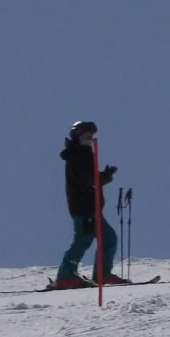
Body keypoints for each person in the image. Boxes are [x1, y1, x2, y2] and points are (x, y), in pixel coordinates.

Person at [55, 120, 124, 288]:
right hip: (84, 208)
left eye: (91, 135)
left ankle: (101, 274)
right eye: (86, 134)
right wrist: (103, 177)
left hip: (89, 207)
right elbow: (87, 180)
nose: (90, 137)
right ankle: (67, 275)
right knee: (84, 239)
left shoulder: (83, 152)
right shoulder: (79, 153)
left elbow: (89, 177)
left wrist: (103, 176)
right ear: (77, 136)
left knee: (105, 238)